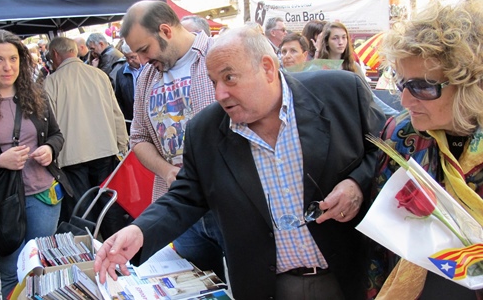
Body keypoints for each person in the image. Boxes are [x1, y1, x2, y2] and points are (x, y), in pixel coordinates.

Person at [94, 25, 385, 299]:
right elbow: (186, 197)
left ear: (268, 68)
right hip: (269, 287)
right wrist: (140, 231)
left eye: (229, 77)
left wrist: (357, 184)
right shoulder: (205, 130)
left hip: (350, 278)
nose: (219, 94)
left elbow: (387, 154)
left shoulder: (341, 92)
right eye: (214, 81)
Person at [373, 0, 483, 299]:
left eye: (423, 87)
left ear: (469, 86)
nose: (406, 101)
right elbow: (381, 245)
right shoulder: (401, 133)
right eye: (402, 83)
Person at [118, 0, 227, 281]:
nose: (141, 60)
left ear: (166, 30)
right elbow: (139, 138)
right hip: (180, 209)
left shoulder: (220, 55)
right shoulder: (146, 78)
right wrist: (167, 171)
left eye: (144, 49)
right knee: (196, 285)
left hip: (227, 203)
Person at [0, 29, 71, 297]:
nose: (8, 67)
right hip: (0, 200)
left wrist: (50, 149)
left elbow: (57, 134)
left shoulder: (35, 94)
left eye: (13, 59)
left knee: (38, 266)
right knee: (8, 270)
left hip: (43, 195)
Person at [44, 36, 129, 237]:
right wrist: (121, 145)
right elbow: (117, 114)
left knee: (81, 209)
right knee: (107, 204)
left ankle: (87, 251)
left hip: (71, 155)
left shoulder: (52, 81)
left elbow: (50, 122)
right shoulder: (99, 75)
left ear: (55, 54)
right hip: (105, 149)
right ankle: (115, 245)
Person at [113, 41, 143, 135]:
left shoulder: (151, 68)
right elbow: (119, 98)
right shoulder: (121, 72)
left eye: (133, 57)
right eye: (127, 58)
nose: (130, 61)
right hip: (130, 120)